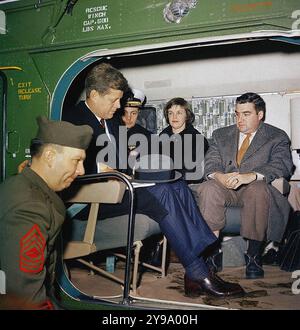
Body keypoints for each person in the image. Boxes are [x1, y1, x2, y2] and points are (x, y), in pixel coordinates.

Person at [63, 62, 244, 298]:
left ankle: (195, 266)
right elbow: (66, 162)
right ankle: (199, 271)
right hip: (92, 199)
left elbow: (125, 164)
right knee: (163, 193)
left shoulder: (112, 122)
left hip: (121, 188)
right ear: (95, 95)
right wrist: (100, 166)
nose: (119, 106)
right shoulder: (73, 118)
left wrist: (133, 163)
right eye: (114, 101)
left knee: (177, 185)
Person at [195, 92, 294, 279]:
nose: (240, 119)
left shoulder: (277, 136)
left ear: (260, 114)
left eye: (246, 114)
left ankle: (254, 256)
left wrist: (251, 176)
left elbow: (283, 165)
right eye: (237, 114)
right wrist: (219, 176)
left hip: (257, 191)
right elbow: (211, 163)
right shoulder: (220, 135)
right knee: (208, 188)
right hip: (226, 189)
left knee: (257, 189)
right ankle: (212, 253)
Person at [0, 117, 93, 309]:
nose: (81, 170)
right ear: (50, 156)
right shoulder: (30, 207)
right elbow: (24, 297)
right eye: (76, 161)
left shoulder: (21, 185)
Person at [160, 97, 209, 183]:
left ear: (187, 115)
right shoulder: (162, 136)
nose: (174, 117)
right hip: (161, 181)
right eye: (170, 113)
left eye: (179, 113)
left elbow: (191, 171)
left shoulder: (197, 139)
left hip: (185, 184)